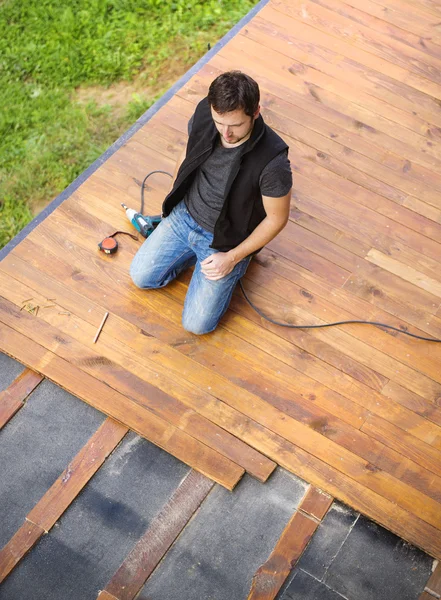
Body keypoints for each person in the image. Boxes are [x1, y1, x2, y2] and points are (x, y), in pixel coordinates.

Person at [130, 70, 292, 335]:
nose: (226, 133)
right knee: (141, 277)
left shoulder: (273, 160)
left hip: (227, 240)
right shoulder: (206, 114)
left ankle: (239, 265)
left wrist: (232, 258)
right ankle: (189, 254)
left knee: (196, 325)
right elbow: (188, 150)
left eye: (236, 125)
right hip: (184, 215)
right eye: (220, 123)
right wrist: (175, 194)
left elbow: (277, 218)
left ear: (256, 112)